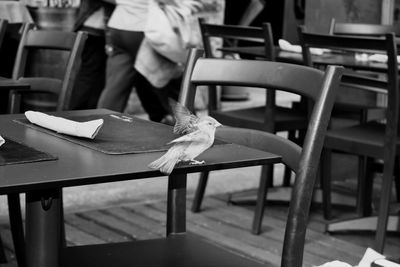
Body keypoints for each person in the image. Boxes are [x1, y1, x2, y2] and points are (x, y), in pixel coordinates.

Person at [97, 0, 180, 123]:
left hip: (118, 26)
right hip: (142, 26)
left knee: (116, 84)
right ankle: (188, 125)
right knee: (167, 78)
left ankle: (101, 123)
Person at [69, 0, 114, 110]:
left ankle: (86, 113)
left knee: (96, 77)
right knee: (89, 75)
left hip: (96, 28)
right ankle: (74, 113)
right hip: (95, 28)